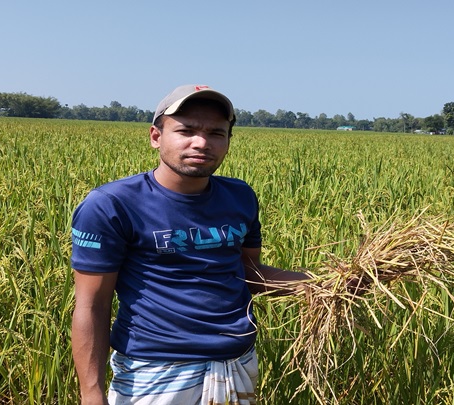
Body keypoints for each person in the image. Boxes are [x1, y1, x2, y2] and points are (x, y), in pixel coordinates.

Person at [70, 84, 309, 405]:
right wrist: (91, 393)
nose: (201, 143)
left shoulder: (239, 197)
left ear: (228, 141)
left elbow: (248, 273)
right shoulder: (112, 204)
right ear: (156, 136)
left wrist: (327, 284)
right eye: (186, 130)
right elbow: (91, 305)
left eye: (216, 133)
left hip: (236, 363)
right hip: (155, 371)